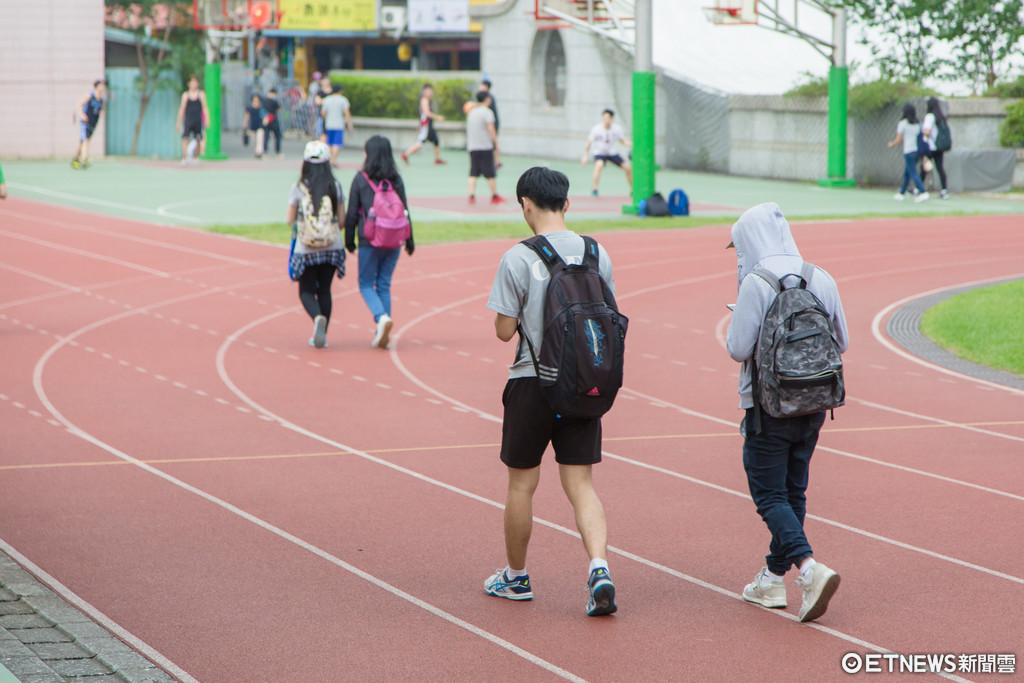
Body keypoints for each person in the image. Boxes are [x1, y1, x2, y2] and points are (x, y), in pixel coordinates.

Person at [484, 166, 618, 617]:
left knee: (522, 485)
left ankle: (516, 578)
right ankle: (599, 567)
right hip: (583, 383)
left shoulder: (517, 258)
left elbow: (504, 331)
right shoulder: (599, 254)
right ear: (567, 202)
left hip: (531, 382)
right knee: (581, 485)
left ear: (525, 205)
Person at [725, 202, 849, 623]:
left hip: (768, 408)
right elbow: (842, 341)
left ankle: (809, 569)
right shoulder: (821, 276)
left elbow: (738, 349)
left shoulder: (756, 283)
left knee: (770, 495)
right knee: (793, 493)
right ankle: (772, 579)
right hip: (814, 404)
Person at [344, 135, 414, 349]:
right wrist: (410, 240)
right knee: (383, 284)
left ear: (369, 154)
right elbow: (405, 210)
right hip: (394, 240)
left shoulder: (360, 179)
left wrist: (349, 240)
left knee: (365, 283)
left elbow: (352, 214)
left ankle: (380, 318)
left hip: (370, 239)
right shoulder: (397, 178)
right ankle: (382, 330)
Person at [286, 141, 347, 349]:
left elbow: (289, 219)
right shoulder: (336, 186)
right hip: (332, 246)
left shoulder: (298, 187)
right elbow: (341, 221)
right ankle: (324, 333)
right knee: (325, 290)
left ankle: (316, 318)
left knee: (306, 290)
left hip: (307, 247)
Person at [581, 109, 632, 197]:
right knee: (599, 165)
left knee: (627, 167)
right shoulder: (596, 129)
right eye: (604, 118)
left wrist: (634, 144)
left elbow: (623, 141)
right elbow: (588, 142)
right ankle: (595, 189)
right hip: (599, 152)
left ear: (612, 119)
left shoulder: (617, 129)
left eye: (608, 118)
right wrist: (585, 155)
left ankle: (632, 190)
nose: (606, 120)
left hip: (611, 152)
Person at [465, 91, 505, 205]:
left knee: (473, 172)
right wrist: (496, 142)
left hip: (473, 147)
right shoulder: (487, 112)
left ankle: (471, 196)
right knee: (490, 173)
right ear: (487, 99)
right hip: (485, 146)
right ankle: (494, 196)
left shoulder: (471, 112)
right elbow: (491, 129)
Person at [887, 103, 929, 202]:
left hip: (909, 151)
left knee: (913, 172)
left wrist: (891, 144)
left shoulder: (903, 124)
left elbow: (898, 139)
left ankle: (923, 192)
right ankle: (902, 193)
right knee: (907, 173)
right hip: (917, 151)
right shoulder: (918, 124)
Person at [401, 84, 446, 165]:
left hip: (429, 125)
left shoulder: (428, 100)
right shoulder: (425, 100)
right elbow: (426, 113)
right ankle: (406, 154)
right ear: (424, 91)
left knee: (435, 140)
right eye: (428, 90)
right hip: (426, 125)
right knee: (420, 142)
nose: (430, 92)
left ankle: (437, 159)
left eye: (431, 90)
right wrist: (438, 117)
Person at [72, 79, 107, 169]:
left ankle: (75, 158)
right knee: (86, 140)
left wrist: (102, 114)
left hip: (93, 122)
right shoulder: (90, 95)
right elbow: (79, 104)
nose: (103, 87)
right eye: (102, 85)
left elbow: (101, 110)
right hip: (85, 122)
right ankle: (84, 159)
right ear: (97, 86)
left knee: (83, 141)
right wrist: (82, 115)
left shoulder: (101, 99)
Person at [176, 75, 209, 166]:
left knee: (198, 139)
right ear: (189, 84)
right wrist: (178, 122)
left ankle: (196, 156)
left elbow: (205, 108)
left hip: (197, 120)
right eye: (192, 82)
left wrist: (207, 119)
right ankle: (184, 157)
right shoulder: (186, 95)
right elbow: (182, 109)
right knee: (185, 139)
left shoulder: (201, 94)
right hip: (188, 120)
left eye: (195, 82)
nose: (194, 84)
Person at [921, 97, 950, 200]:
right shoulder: (941, 116)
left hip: (930, 146)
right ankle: (944, 190)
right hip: (939, 147)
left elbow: (927, 132)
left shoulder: (929, 116)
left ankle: (919, 188)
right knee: (940, 168)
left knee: (924, 167)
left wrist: (921, 133)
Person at [321, 85, 354, 168]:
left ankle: (330, 159)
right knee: (336, 144)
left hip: (329, 124)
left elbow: (323, 113)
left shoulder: (327, 100)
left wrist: (325, 119)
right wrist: (349, 123)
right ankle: (333, 161)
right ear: (340, 91)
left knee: (329, 143)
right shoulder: (343, 100)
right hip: (338, 125)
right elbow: (347, 112)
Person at [242, 93, 266, 159]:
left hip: (260, 126)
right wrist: (244, 127)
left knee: (260, 138)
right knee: (255, 141)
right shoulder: (249, 108)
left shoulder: (261, 109)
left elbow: (264, 117)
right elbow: (246, 117)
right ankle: (257, 153)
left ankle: (259, 152)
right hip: (252, 127)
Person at [262, 88, 283, 158]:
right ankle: (278, 152)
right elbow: (279, 110)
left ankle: (265, 152)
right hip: (273, 120)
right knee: (277, 136)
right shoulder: (274, 101)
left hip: (265, 120)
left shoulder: (264, 100)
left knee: (266, 137)